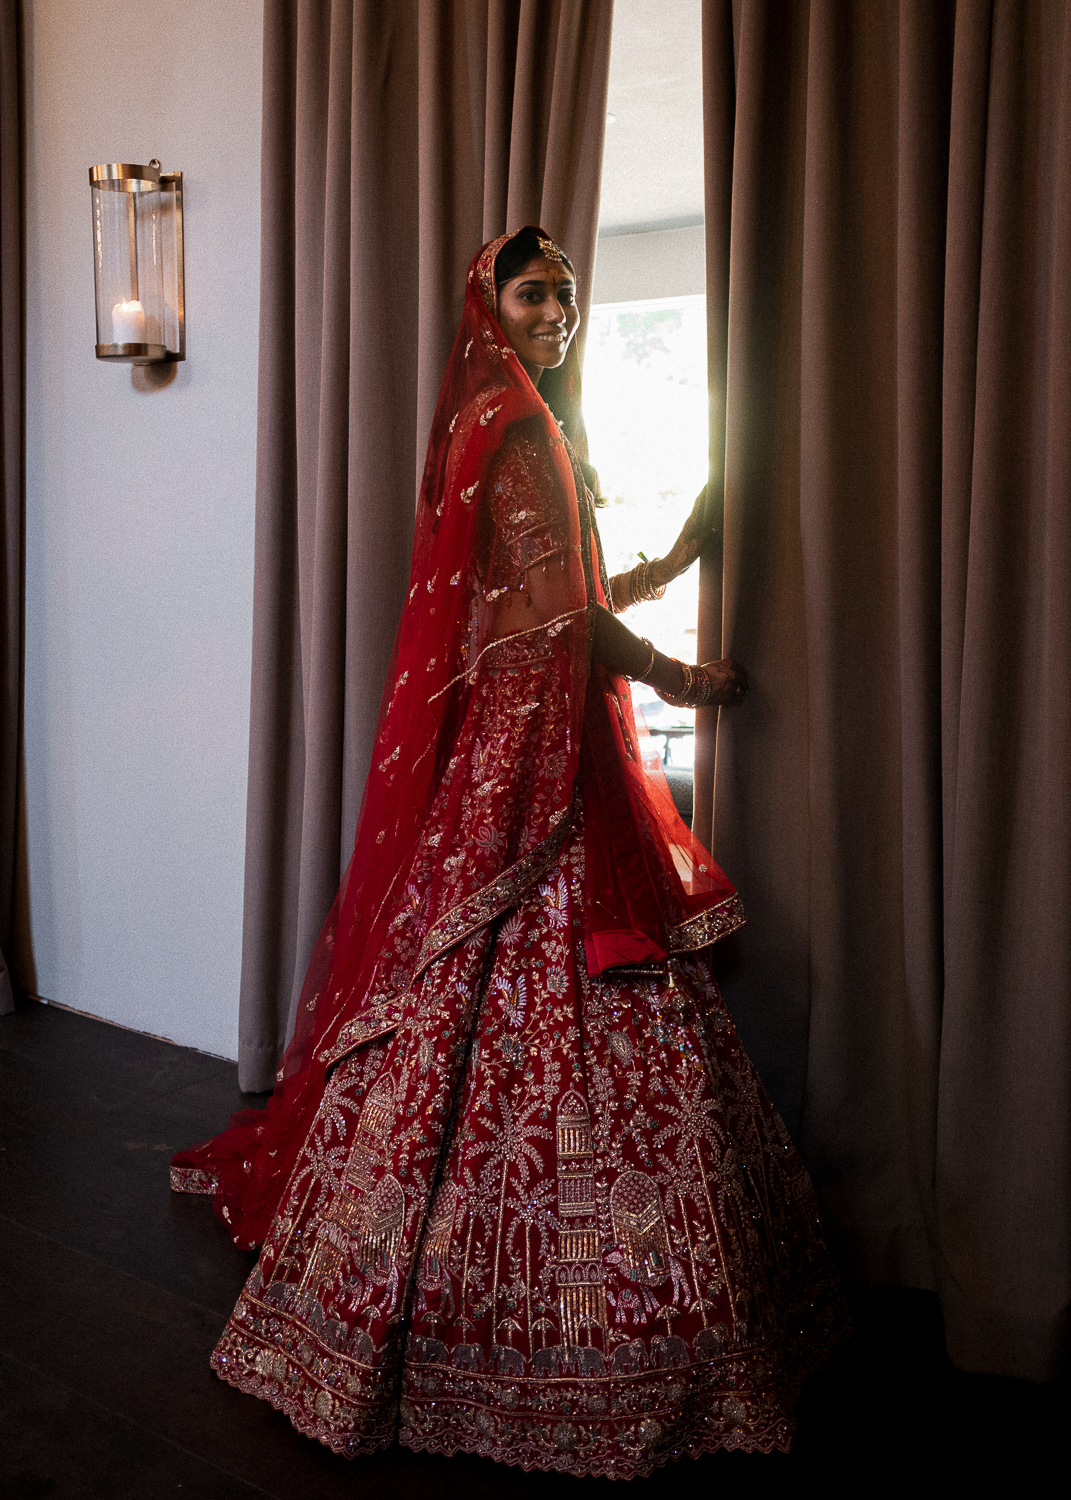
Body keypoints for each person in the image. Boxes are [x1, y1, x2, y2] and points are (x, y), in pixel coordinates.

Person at [172, 227, 848, 1478]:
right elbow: (559, 622)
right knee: (544, 990)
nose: (561, 311)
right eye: (537, 292)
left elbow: (558, 600)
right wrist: (690, 678)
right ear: (492, 303)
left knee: (478, 997)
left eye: (571, 294)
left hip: (529, 751)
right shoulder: (518, 427)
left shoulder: (497, 423)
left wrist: (679, 557)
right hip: (534, 773)